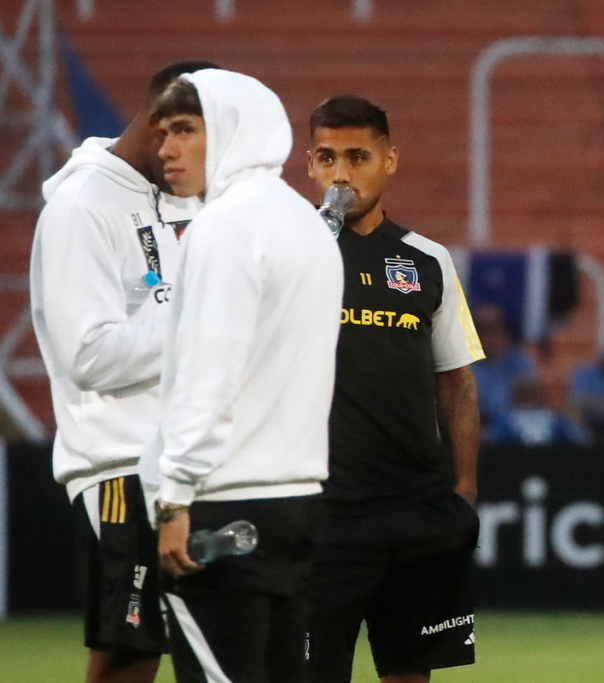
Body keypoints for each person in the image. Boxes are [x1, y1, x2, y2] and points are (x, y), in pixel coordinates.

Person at [142, 70, 343, 683]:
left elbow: (211, 371)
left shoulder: (226, 227)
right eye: (162, 133)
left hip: (223, 507)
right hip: (298, 503)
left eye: (185, 130)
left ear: (230, 130)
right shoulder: (308, 225)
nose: (165, 150)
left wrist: (175, 490)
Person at [29, 60, 216, 683]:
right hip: (121, 467)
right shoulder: (81, 209)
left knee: (150, 648)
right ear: (168, 126)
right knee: (134, 653)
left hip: (182, 463)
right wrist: (209, 322)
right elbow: (88, 355)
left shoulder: (179, 199)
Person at [303, 95, 484, 683]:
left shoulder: (427, 260)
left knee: (411, 674)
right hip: (319, 511)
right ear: (309, 165)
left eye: (358, 157)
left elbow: (456, 385)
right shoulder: (291, 254)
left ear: (390, 161)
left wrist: (462, 492)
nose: (342, 174)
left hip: (415, 510)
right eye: (327, 158)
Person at [471, 302, 538, 433]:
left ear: (505, 333)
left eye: (493, 331)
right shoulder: (465, 366)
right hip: (478, 434)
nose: (488, 339)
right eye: (482, 332)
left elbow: (531, 404)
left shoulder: (519, 363)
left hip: (514, 434)